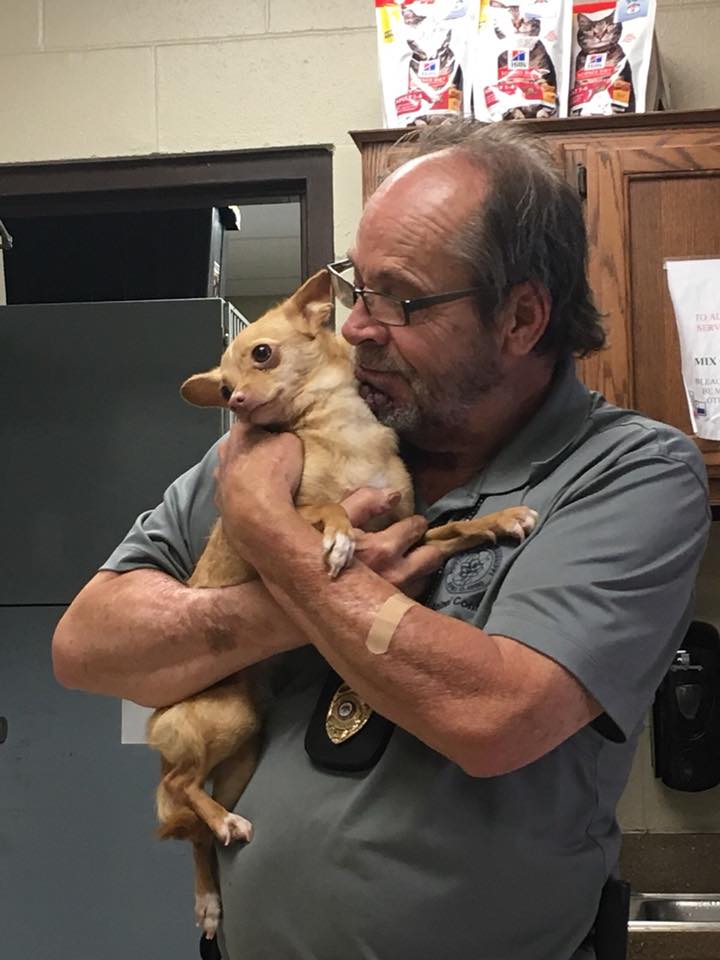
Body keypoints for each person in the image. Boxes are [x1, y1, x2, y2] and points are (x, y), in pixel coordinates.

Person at [52, 122, 710, 960]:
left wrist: (272, 540)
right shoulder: (275, 442)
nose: (357, 327)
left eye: (399, 300)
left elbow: (492, 717)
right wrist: (282, 605)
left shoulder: (628, 473)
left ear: (521, 318)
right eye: (358, 288)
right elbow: (87, 649)